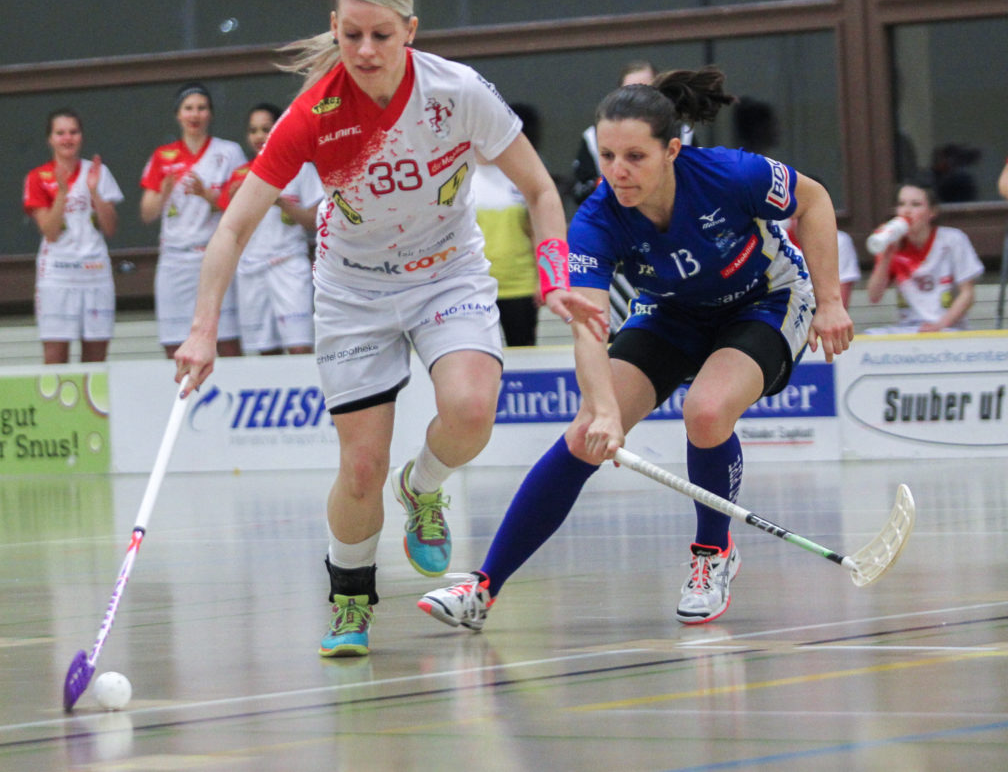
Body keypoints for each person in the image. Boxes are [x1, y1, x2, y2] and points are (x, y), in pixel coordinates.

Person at [172, 0, 605, 657]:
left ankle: (424, 486)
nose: (365, 50)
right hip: (352, 291)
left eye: (380, 34)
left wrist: (554, 274)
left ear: (410, 32)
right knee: (361, 466)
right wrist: (201, 331)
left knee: (470, 410)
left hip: (447, 274)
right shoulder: (313, 114)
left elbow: (540, 189)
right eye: (351, 35)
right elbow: (232, 226)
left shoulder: (457, 92)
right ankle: (350, 596)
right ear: (336, 31)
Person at [420, 66, 853, 631]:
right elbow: (588, 326)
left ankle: (713, 555)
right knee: (582, 436)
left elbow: (814, 201)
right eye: (606, 156)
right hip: (671, 310)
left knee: (706, 410)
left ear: (672, 150)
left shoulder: (730, 173)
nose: (618, 173)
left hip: (764, 299)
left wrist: (831, 301)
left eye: (635, 157)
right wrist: (601, 409)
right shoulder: (598, 219)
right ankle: (483, 588)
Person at [140, 83, 248, 359]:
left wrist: (206, 194)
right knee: (174, 343)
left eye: (201, 108)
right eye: (188, 108)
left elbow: (241, 205)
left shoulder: (229, 152)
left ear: (210, 114)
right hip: (175, 259)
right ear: (178, 114)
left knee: (225, 340)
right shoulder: (163, 156)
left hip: (214, 255)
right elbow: (147, 213)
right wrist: (164, 191)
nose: (195, 114)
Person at [221, 102, 322, 355]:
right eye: (253, 130)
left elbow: (316, 222)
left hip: (288, 265)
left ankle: (307, 394)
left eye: (266, 129)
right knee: (264, 350)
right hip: (251, 269)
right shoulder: (241, 174)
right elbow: (228, 228)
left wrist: (280, 201)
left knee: (299, 346)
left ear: (279, 129)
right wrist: (233, 202)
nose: (259, 136)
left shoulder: (301, 168)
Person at [22, 109, 121, 364]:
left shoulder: (98, 172)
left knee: (96, 358)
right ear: (50, 139)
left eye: (73, 132)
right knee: (55, 355)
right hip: (58, 274)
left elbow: (110, 228)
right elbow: (50, 232)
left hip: (95, 272)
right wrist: (63, 193)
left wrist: (94, 192)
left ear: (81, 137)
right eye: (60, 133)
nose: (67, 138)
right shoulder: (38, 177)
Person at [571, 61, 694, 206]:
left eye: (636, 156)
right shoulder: (594, 136)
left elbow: (696, 184)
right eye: (608, 155)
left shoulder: (682, 133)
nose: (637, 99)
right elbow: (580, 193)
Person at [865, 182, 984, 332]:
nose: (906, 211)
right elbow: (874, 296)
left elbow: (968, 294)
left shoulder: (953, 240)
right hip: (909, 327)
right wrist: (885, 258)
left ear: (932, 212)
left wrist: (939, 325)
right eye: (901, 204)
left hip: (949, 327)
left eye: (915, 205)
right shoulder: (893, 243)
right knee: (871, 335)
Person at [472, 103, 543, 346]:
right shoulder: (460, 177)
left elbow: (537, 230)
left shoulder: (521, 175)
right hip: (475, 287)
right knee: (477, 358)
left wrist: (543, 278)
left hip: (520, 285)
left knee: (524, 351)